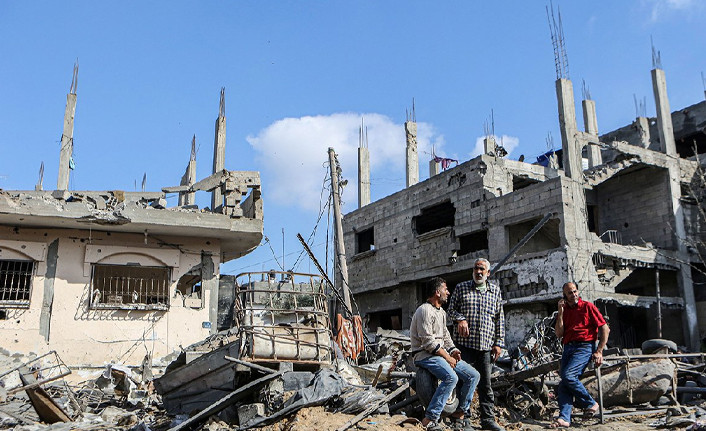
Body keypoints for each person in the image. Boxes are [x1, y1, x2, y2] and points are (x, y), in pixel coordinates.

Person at [411, 277, 481, 431]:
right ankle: (429, 419)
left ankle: (459, 414)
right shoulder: (424, 310)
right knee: (451, 377)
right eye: (445, 289)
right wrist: (447, 357)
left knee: (473, 375)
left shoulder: (441, 312)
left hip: (439, 355)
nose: (448, 293)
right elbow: (428, 342)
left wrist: (454, 351)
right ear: (437, 292)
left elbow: (446, 337)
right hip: (425, 355)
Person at [447, 258, 505, 431]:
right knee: (462, 382)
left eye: (482, 269)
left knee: (485, 385)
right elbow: (450, 311)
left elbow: (499, 319)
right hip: (464, 345)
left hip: (485, 347)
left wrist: (498, 343)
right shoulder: (461, 288)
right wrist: (460, 318)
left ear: (488, 273)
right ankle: (462, 419)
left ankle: (488, 419)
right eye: (476, 269)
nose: (478, 272)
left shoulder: (495, 291)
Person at [551, 282, 610, 428]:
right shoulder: (564, 310)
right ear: (565, 296)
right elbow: (559, 333)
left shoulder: (588, 306)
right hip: (568, 347)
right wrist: (560, 312)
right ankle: (564, 418)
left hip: (584, 346)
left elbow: (605, 329)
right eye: (570, 293)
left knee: (568, 375)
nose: (574, 295)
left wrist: (599, 351)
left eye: (575, 291)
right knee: (564, 383)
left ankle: (590, 403)